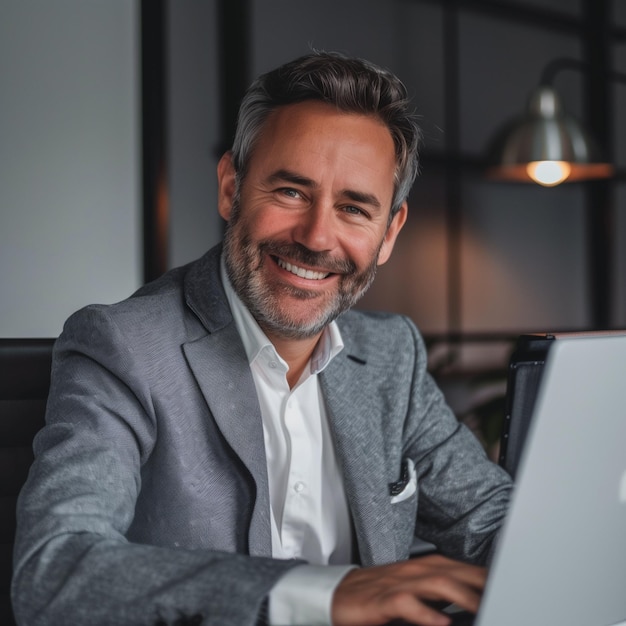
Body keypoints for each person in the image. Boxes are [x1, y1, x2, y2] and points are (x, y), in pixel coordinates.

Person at [12, 51, 512, 626]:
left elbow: (493, 519)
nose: (317, 236)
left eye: (354, 208)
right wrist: (320, 595)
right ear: (232, 187)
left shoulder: (393, 354)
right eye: (291, 192)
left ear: (389, 232)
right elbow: (54, 572)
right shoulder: (122, 347)